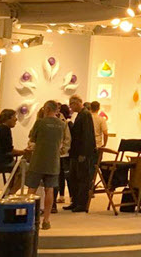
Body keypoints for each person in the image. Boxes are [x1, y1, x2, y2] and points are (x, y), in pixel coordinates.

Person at [26, 100, 70, 229]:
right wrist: (59, 151)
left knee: (32, 189)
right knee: (49, 190)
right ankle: (46, 220)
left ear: (46, 109)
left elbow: (32, 138)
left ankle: (30, 218)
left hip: (38, 159)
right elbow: (67, 142)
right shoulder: (62, 125)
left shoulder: (40, 122)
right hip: (53, 161)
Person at [66, 95, 97, 212]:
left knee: (82, 178)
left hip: (82, 153)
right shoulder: (81, 115)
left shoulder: (85, 115)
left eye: (72, 104)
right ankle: (75, 201)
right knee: (73, 177)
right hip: (76, 152)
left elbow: (87, 135)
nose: (71, 107)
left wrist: (83, 153)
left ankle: (81, 204)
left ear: (78, 103)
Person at [0, 109, 24, 179]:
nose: (16, 119)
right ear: (7, 118)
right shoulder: (4, 130)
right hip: (0, 163)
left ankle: (10, 189)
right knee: (25, 169)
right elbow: (9, 150)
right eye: (14, 116)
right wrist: (23, 152)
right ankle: (10, 190)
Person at [56, 103, 72, 209]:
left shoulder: (65, 122)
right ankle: (62, 195)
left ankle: (70, 196)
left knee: (66, 175)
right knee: (59, 176)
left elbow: (67, 138)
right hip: (59, 153)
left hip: (64, 153)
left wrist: (64, 149)